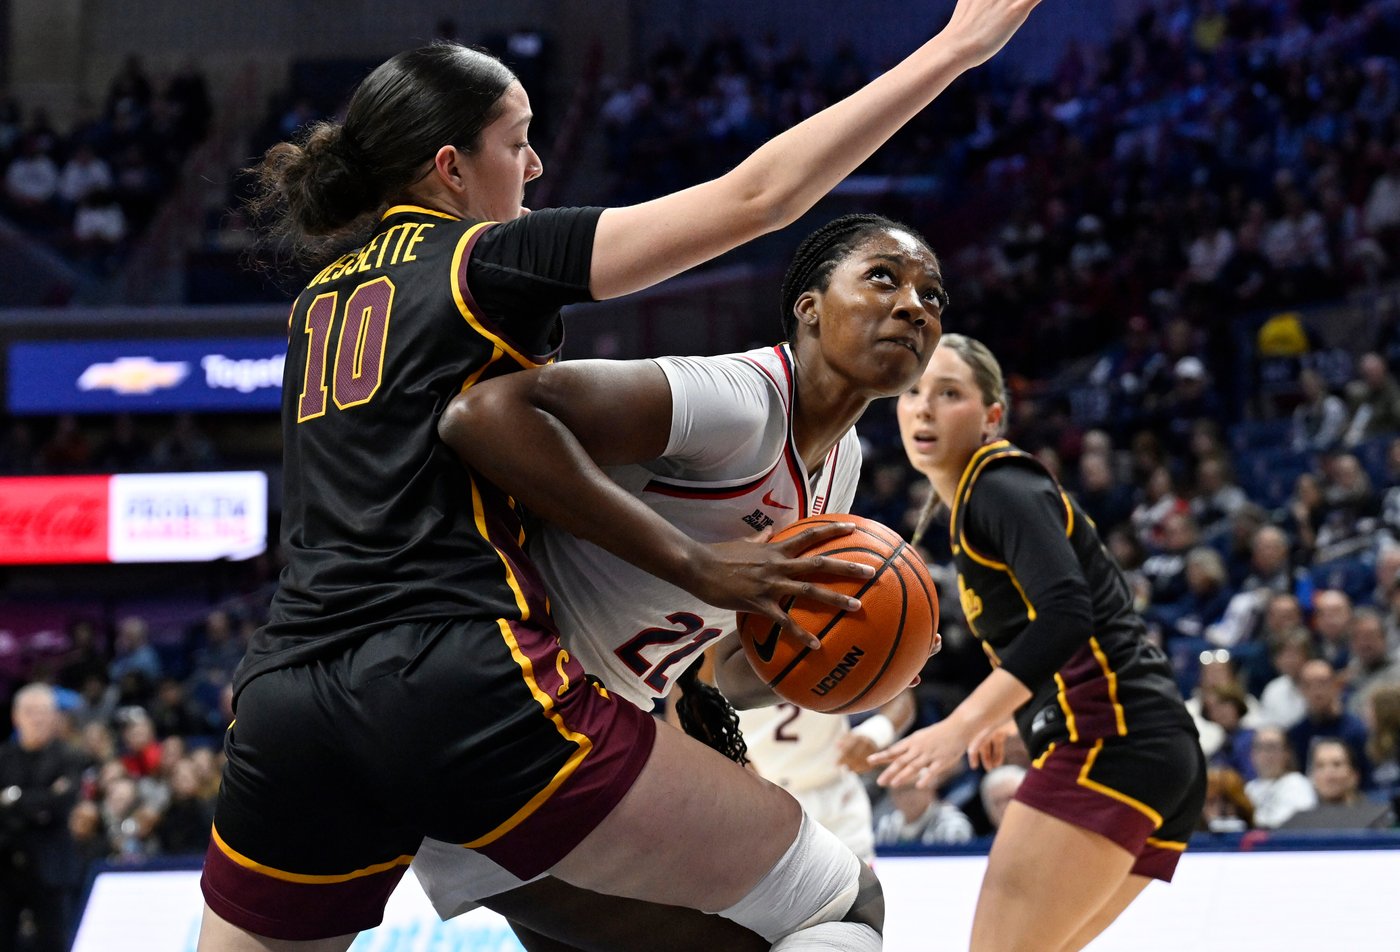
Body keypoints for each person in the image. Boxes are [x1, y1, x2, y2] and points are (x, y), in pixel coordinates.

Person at [199, 3, 1044, 946]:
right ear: (450, 167)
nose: (535, 169)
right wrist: (954, 48)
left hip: (285, 697)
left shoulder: (321, 297)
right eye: (517, 144)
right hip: (460, 678)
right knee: (837, 907)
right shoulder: (485, 258)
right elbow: (755, 198)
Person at [417, 212, 946, 941]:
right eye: (883, 277)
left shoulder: (841, 467)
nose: (914, 305)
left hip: (553, 742)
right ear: (810, 310)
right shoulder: (735, 399)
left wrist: (870, 662)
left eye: (933, 297)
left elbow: (726, 669)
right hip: (524, 722)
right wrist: (695, 562)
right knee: (846, 906)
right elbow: (483, 415)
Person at [871, 334, 1205, 952]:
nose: (924, 408)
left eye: (949, 394)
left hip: (1109, 744)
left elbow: (1067, 613)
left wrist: (961, 724)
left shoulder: (998, 486)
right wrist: (1009, 714)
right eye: (914, 391)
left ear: (992, 415)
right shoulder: (981, 500)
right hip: (1153, 749)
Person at [0, 683, 89, 952]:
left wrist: (13, 799)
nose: (36, 718)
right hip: (5, 865)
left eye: (43, 712)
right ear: (16, 716)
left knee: (54, 942)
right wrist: (42, 801)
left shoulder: (70, 757)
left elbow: (62, 803)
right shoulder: (3, 757)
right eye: (30, 711)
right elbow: (48, 802)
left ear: (54, 717)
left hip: (51, 866)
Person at [1243, 725, 1316, 829]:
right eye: (1260, 747)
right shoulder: (1249, 788)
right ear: (1252, 755)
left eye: (1272, 747)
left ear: (1286, 753)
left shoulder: (1297, 784)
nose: (1266, 754)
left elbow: (1295, 824)